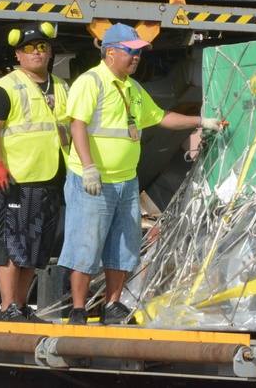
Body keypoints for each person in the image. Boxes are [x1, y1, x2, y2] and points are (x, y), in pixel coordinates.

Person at [59, 23, 226, 325]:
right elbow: (77, 125)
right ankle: (79, 309)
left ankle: (112, 305)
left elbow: (161, 117)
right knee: (85, 244)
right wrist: (88, 168)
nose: (136, 57)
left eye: (138, 53)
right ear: (110, 52)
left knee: (123, 246)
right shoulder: (91, 82)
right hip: (94, 180)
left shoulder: (131, 88)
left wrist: (202, 120)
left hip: (124, 180)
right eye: (131, 51)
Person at [0, 22, 70, 323]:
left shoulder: (61, 86)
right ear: (18, 54)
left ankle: (20, 307)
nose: (37, 52)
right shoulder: (7, 86)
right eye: (30, 48)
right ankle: (7, 307)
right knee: (10, 243)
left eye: (42, 47)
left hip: (51, 175)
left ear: (50, 52)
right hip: (17, 178)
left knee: (35, 245)